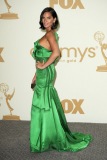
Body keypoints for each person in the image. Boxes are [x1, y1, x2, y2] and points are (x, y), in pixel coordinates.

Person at [30, 7, 92, 153]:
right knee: (46, 104)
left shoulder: (51, 34)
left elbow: (56, 53)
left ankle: (43, 138)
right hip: (43, 73)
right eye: (43, 18)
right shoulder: (49, 34)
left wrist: (44, 65)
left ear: (54, 20)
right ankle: (46, 136)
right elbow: (47, 55)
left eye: (48, 18)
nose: (45, 20)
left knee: (40, 105)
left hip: (45, 72)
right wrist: (36, 73)